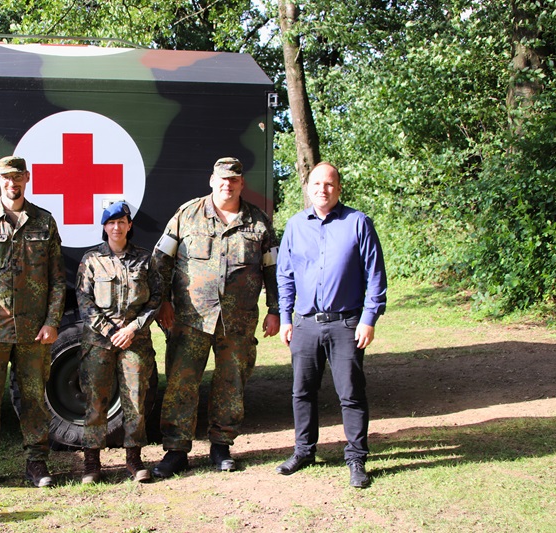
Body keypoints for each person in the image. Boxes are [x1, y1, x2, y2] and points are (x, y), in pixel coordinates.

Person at [151, 157, 280, 477]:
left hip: (238, 320)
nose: (228, 184)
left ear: (241, 183)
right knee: (181, 383)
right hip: (191, 318)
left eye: (234, 179)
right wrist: (162, 301)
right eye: (222, 179)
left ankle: (221, 446)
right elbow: (159, 260)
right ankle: (176, 451)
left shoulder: (258, 223)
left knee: (231, 383)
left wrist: (276, 310)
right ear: (212, 180)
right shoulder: (187, 215)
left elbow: (273, 270)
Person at [274, 161, 387, 489]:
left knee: (351, 393)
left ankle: (356, 458)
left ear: (338, 189)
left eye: (329, 184)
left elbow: (375, 275)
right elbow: (285, 276)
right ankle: (304, 451)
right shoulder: (295, 226)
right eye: (316, 184)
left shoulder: (358, 223)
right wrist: (285, 318)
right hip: (305, 324)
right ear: (307, 188)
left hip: (346, 324)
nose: (322, 189)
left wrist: (369, 319)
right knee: (301, 392)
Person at [0, 155, 66, 490]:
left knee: (34, 397)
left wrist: (52, 321)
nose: (12, 183)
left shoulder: (44, 222)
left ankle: (36, 463)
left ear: (27, 179)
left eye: (18, 177)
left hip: (34, 331)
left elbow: (58, 280)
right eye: (6, 177)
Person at [76, 201, 162, 484]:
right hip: (98, 343)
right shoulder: (91, 260)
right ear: (104, 227)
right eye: (111, 223)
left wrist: (133, 329)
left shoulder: (145, 259)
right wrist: (109, 330)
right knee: (95, 403)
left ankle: (134, 460)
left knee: (135, 401)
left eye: (121, 222)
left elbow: (156, 299)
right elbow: (84, 300)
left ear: (129, 225)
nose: (116, 227)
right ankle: (92, 463)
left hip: (134, 342)